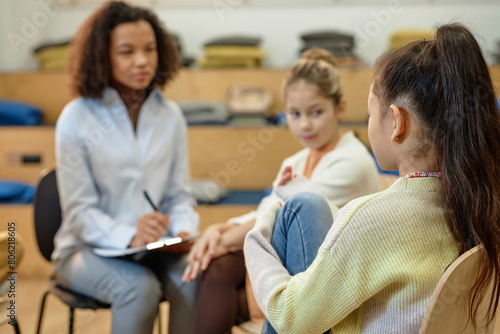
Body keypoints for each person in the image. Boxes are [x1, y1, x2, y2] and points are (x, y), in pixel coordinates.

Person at [244, 22, 500, 334]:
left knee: (296, 210)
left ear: (396, 122)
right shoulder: (482, 204)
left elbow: (290, 318)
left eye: (370, 114)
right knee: (308, 204)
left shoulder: (369, 219)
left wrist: (259, 233)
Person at [183, 48, 381, 334]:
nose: (305, 124)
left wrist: (223, 238)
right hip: (292, 262)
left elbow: (281, 217)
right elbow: (266, 210)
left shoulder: (352, 161)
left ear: (339, 108)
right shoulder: (296, 161)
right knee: (216, 267)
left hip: (330, 275)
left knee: (218, 269)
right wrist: (221, 229)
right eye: (294, 114)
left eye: (316, 112)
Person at [52, 2, 199, 333]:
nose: (142, 61)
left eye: (150, 49)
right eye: (126, 51)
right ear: (102, 55)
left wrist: (183, 229)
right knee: (138, 288)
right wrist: (129, 233)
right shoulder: (76, 118)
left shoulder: (170, 115)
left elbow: (179, 196)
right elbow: (79, 212)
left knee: (195, 274)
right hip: (84, 250)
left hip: (152, 249)